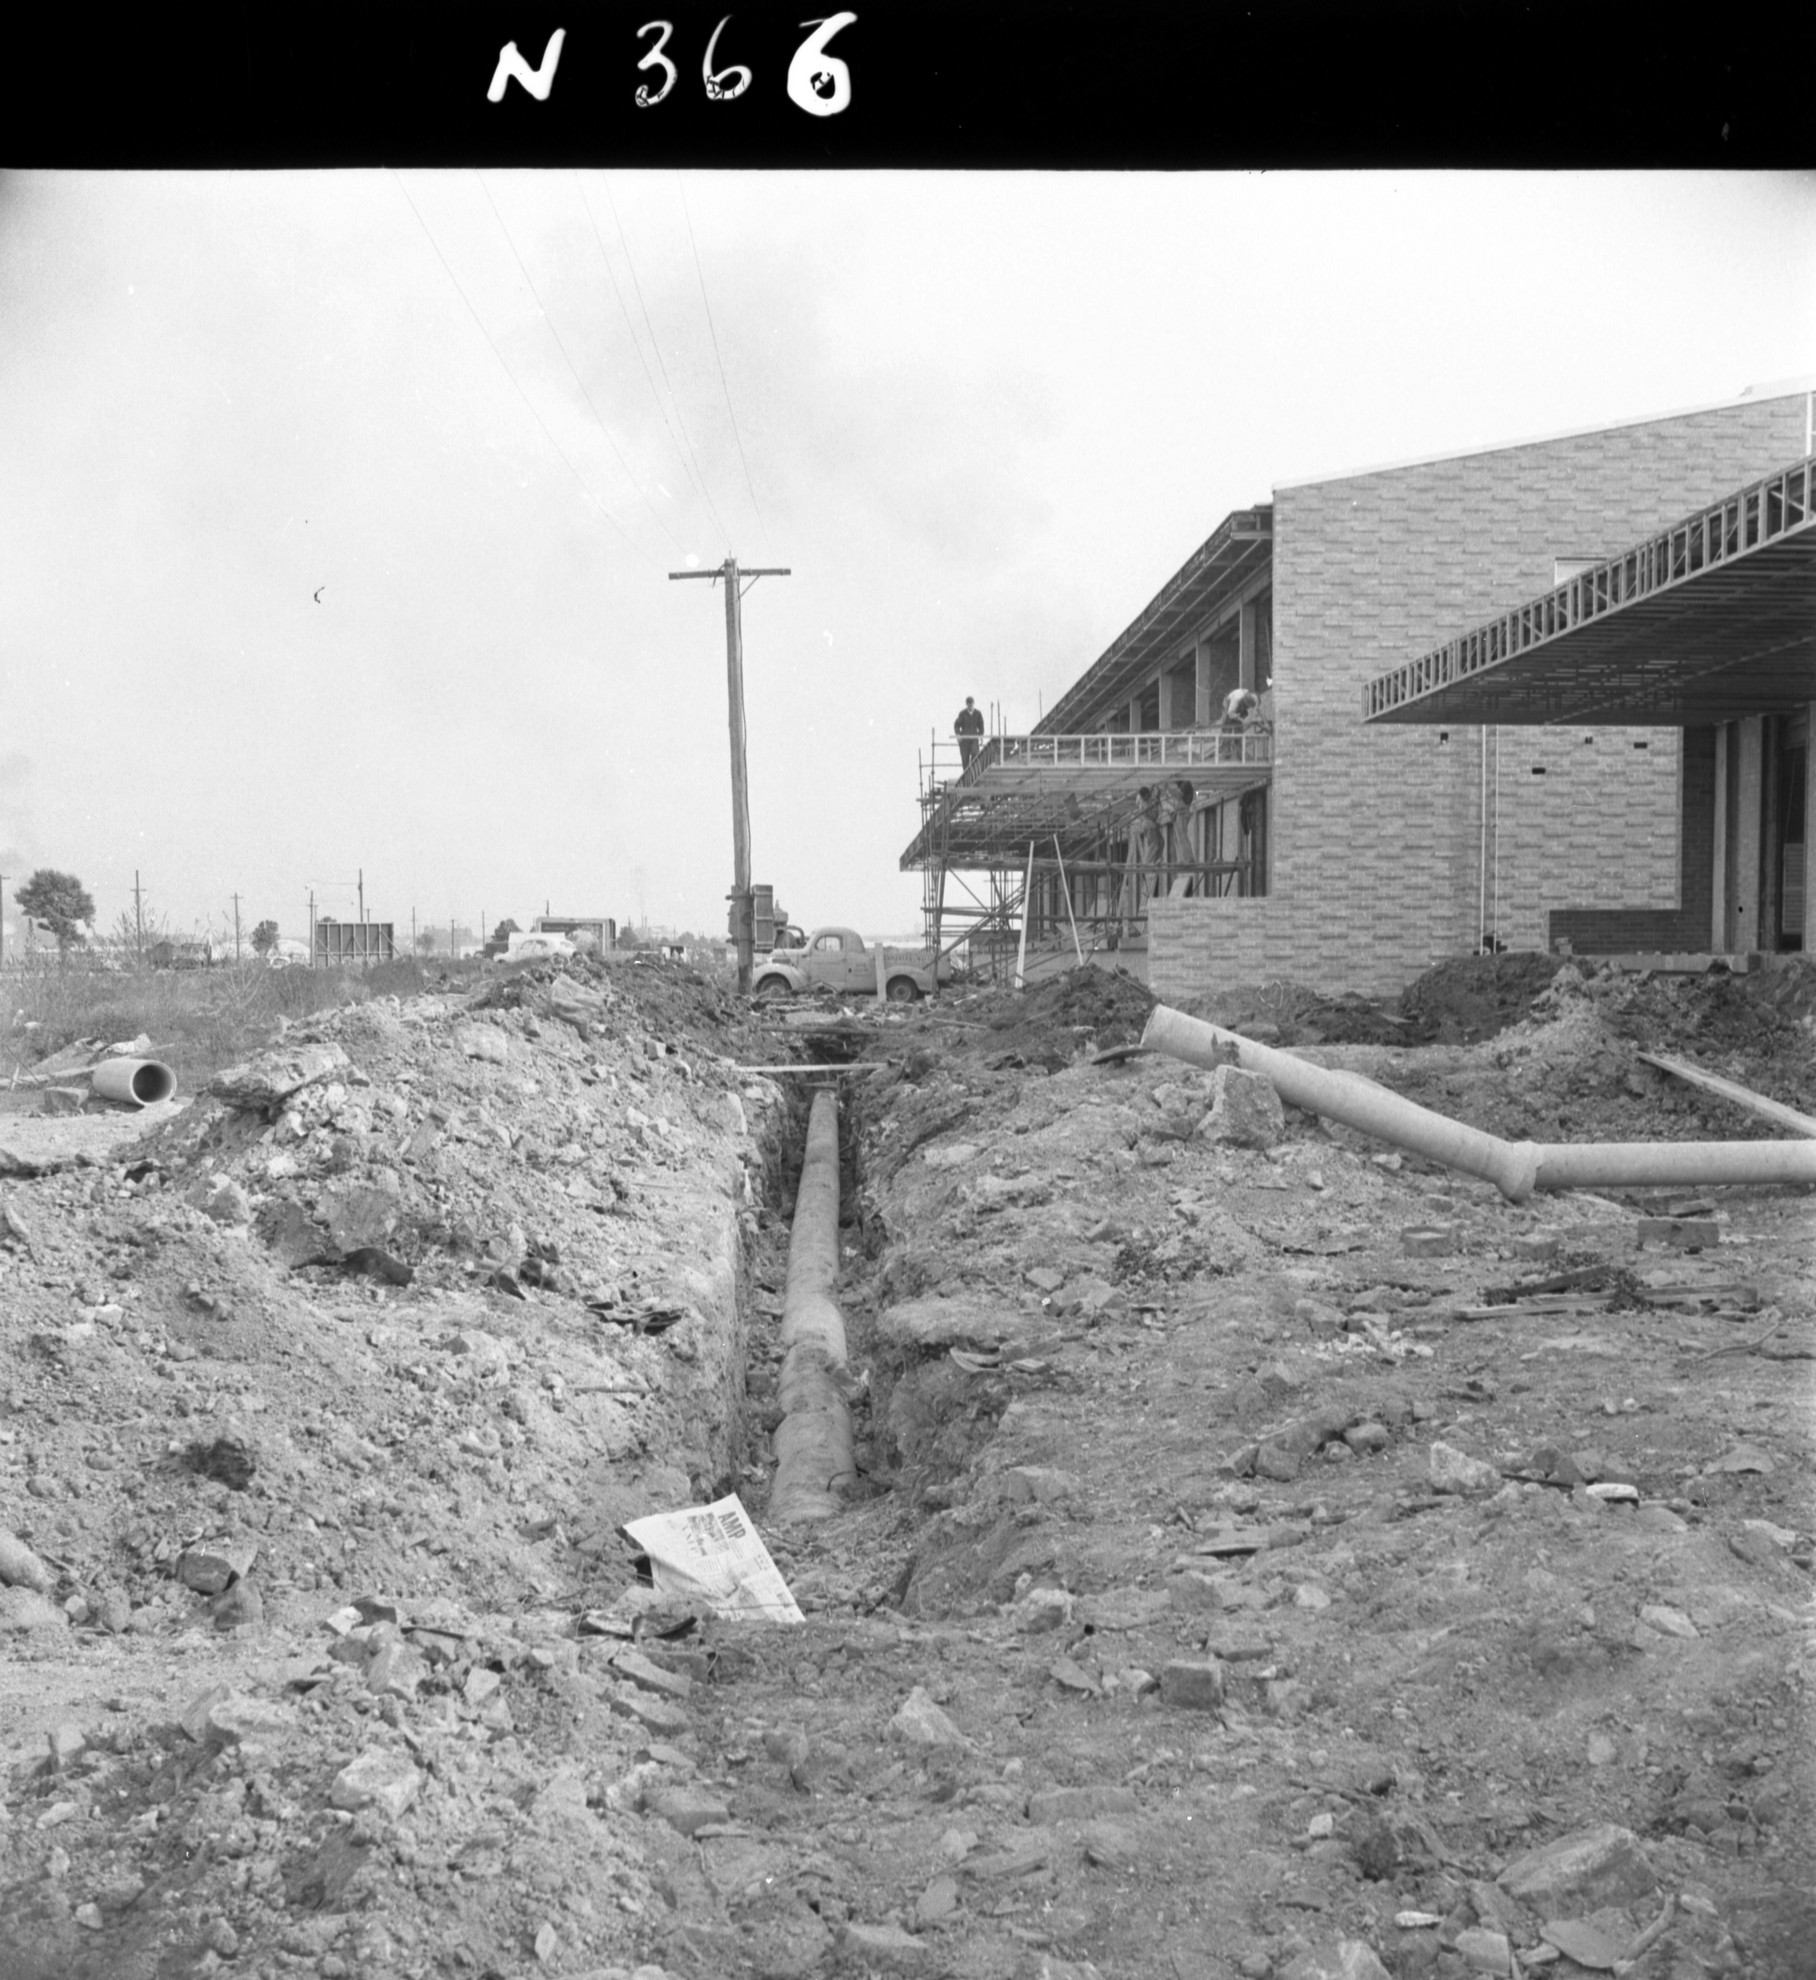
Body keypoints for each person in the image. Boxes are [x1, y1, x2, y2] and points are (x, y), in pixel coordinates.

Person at [954, 696, 985, 770]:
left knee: (975, 753)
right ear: (966, 704)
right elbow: (956, 725)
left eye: (971, 704)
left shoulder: (978, 713)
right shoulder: (962, 714)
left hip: (974, 738)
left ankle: (972, 769)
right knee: (965, 758)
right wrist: (958, 735)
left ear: (973, 704)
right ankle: (966, 774)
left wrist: (981, 735)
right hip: (964, 740)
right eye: (969, 704)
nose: (970, 706)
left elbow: (981, 726)